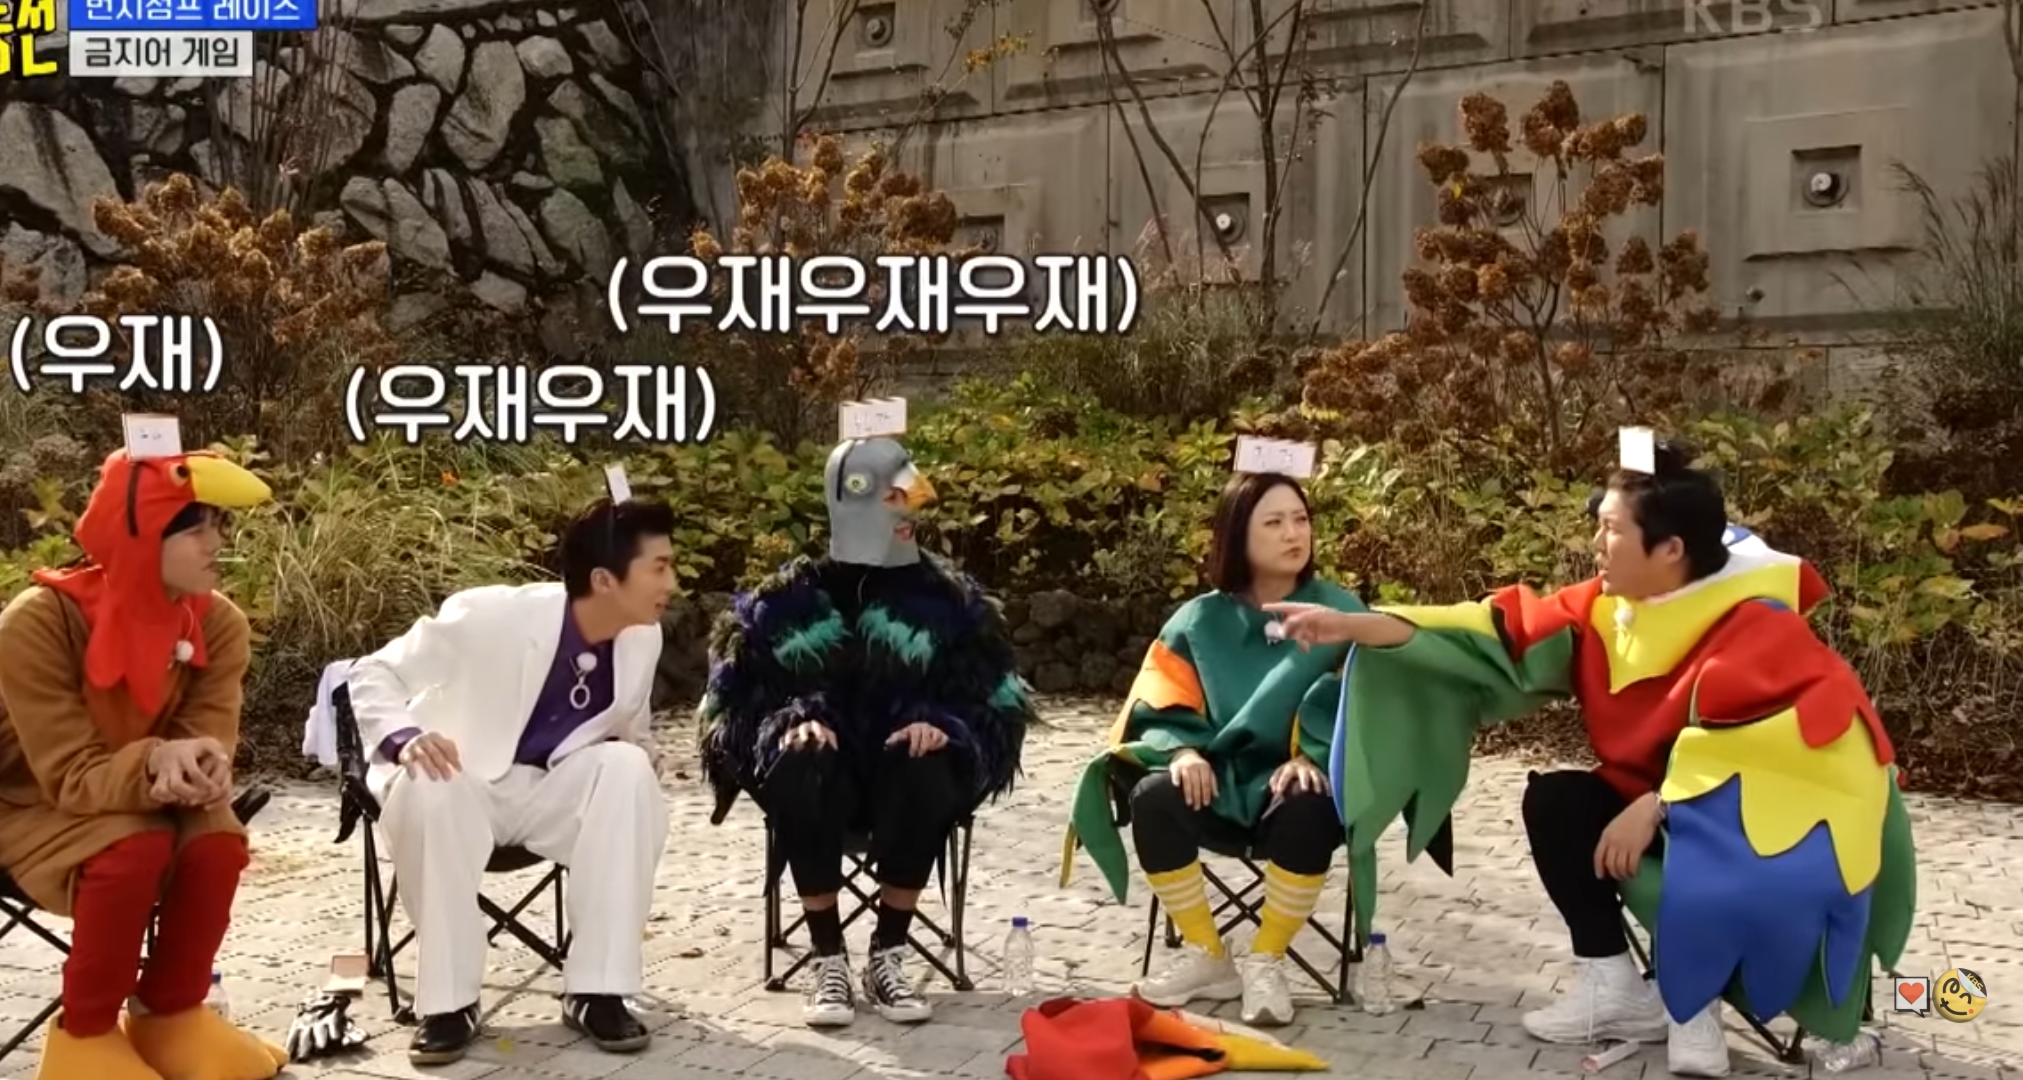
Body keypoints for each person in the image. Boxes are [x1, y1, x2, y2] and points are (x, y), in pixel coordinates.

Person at [1264, 437, 1915, 1078]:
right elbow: (1488, 635)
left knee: (1721, 858)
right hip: (1647, 807)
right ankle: (1614, 986)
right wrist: (1354, 625)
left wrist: (1659, 806)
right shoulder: (1604, 609)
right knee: (1557, 802)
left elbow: (1792, 755)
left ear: (1670, 549)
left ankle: (1693, 1003)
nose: (1595, 544)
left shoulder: (1760, 624)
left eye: (1611, 529)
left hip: (1736, 825)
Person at [0, 430, 286, 1080]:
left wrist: (203, 768)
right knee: (135, 847)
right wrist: (154, 761)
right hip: (24, 803)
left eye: (219, 525)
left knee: (217, 842)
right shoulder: (39, 621)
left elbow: (208, 733)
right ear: (140, 536)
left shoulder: (217, 623)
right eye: (193, 528)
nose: (216, 543)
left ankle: (172, 1015)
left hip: (143, 799)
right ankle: (84, 1035)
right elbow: (65, 773)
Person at [698, 415, 1034, 1029]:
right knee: (801, 758)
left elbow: (1000, 703)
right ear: (849, 495)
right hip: (822, 786)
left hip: (907, 788)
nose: (911, 503)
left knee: (924, 758)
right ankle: (828, 959)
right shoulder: (786, 602)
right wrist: (789, 724)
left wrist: (945, 727)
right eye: (889, 491)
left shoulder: (951, 602)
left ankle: (888, 954)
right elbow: (728, 706)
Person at [343, 495, 677, 1063]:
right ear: (604, 580)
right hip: (463, 780)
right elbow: (373, 671)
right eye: (660, 567)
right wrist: (405, 738)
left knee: (627, 771)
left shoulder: (642, 637)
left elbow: (627, 727)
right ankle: (449, 1005)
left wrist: (644, 757)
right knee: (429, 785)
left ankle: (597, 991)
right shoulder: (491, 616)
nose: (672, 582)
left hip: (548, 791)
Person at [1060, 464, 1366, 1027]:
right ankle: (1207, 954)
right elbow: (1158, 699)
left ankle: (1267, 958)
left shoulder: (1340, 611)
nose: (1293, 533)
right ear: (1236, 534)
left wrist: (1315, 754)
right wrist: (1182, 751)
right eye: (1274, 522)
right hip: (1218, 782)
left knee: (1310, 803)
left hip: (1294, 789)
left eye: (1301, 519)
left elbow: (1370, 699)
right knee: (1155, 795)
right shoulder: (1197, 619)